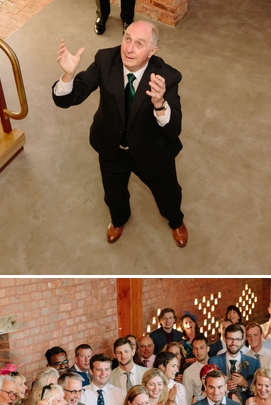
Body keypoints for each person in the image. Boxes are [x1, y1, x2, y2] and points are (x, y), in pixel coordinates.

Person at [52, 23, 188, 247]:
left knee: (168, 194)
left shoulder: (167, 77)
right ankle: (118, 220)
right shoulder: (106, 60)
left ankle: (176, 221)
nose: (129, 49)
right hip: (111, 147)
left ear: (152, 52)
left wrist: (160, 105)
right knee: (113, 195)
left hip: (151, 151)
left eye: (139, 44)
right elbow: (67, 99)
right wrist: (68, 75)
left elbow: (174, 130)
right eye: (127, 38)